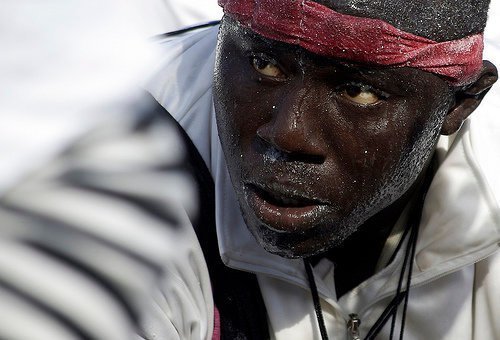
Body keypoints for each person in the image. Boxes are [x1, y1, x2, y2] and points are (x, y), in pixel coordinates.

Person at [146, 0, 500, 339]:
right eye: (265, 64)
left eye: (358, 90)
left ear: (458, 104)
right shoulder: (119, 161)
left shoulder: (491, 181)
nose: (287, 134)